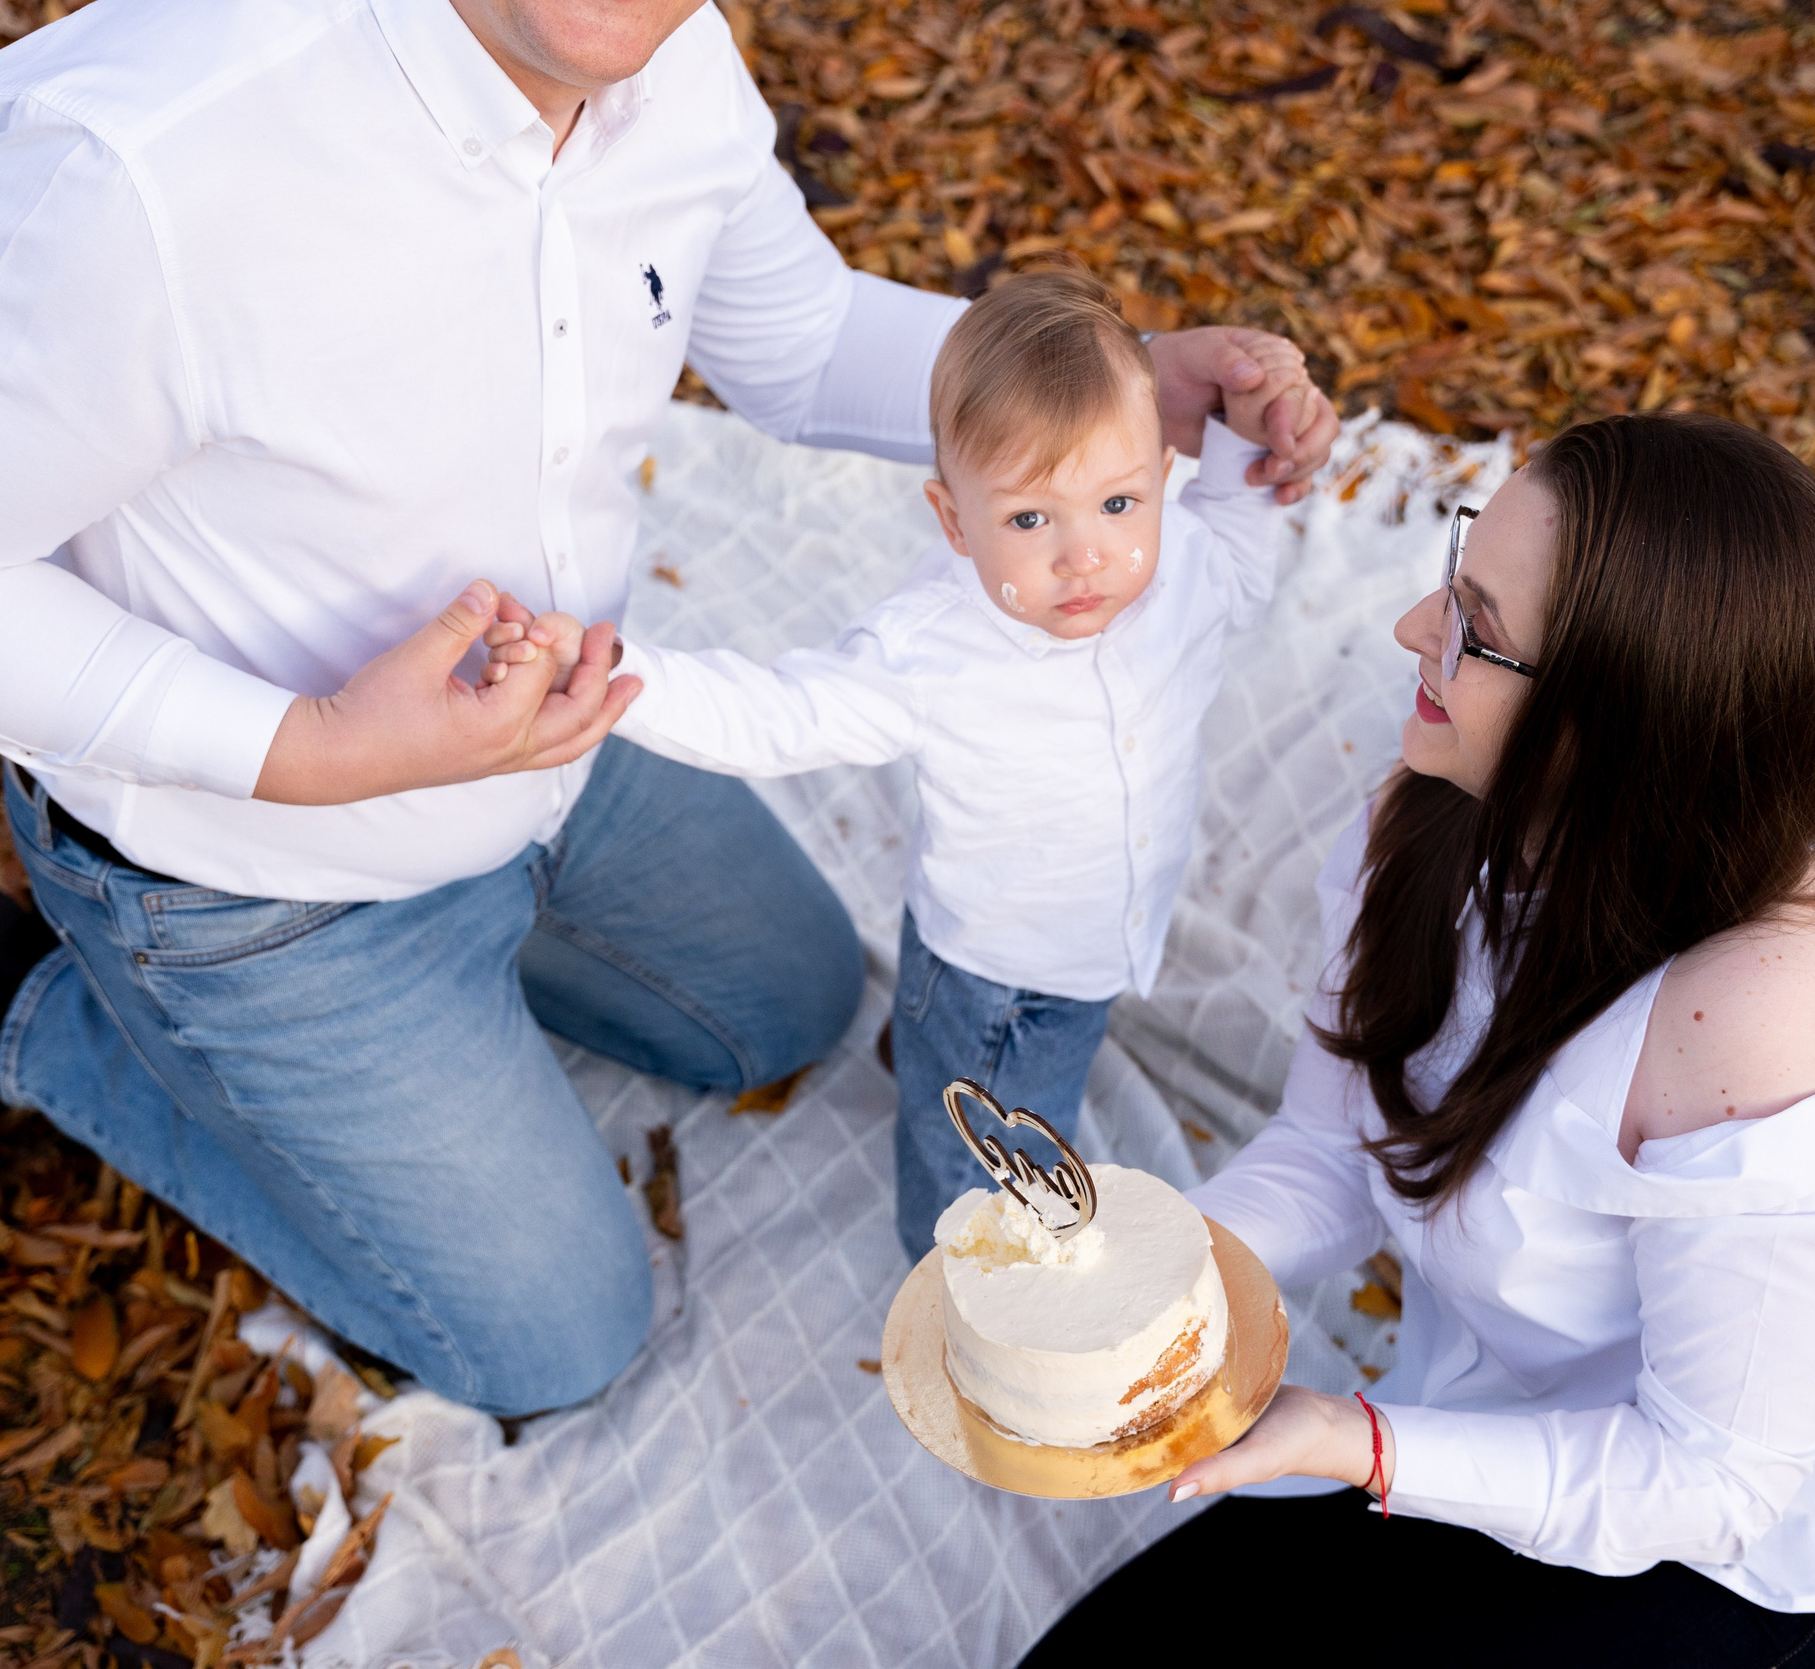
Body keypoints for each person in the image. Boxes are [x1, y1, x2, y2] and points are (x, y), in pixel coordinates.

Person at [0, 0, 1337, 1417]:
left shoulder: (657, 45)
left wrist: (1115, 402)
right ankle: (41, 1013)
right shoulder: (140, 165)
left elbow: (797, 346)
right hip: (262, 880)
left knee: (790, 1009)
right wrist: (319, 747)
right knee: (560, 1344)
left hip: (564, 749)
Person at [1027, 414, 1815, 1667]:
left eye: (1479, 628)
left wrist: (1357, 1443)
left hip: (1757, 1572)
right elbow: (1333, 1145)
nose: (1417, 628)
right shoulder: (1423, 823)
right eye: (1455, 579)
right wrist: (1167, 1265)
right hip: (1493, 1434)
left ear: (1614, 725)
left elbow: (1715, 1485)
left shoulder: (1767, 1015)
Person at [534, 267, 1285, 1262]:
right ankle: (959, 1282)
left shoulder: (1178, 564)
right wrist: (623, 673)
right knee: (976, 1171)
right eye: (1028, 519)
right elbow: (781, 717)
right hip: (994, 978)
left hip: (1106, 938)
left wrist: (1242, 436)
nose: (1083, 557)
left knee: (1043, 1084)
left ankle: (930, 1070)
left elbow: (1235, 554)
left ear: (1157, 476)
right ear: (952, 520)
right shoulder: (931, 652)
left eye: (1117, 502)